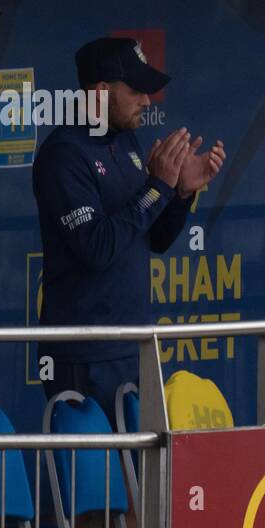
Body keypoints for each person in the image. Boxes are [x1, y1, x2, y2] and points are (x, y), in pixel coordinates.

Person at [33, 37, 225, 425]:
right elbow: (97, 247)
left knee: (138, 477)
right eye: (136, 90)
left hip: (133, 345)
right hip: (84, 355)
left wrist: (180, 194)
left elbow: (153, 239)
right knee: (96, 481)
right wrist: (158, 187)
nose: (147, 101)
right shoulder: (64, 154)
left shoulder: (126, 141)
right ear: (101, 92)